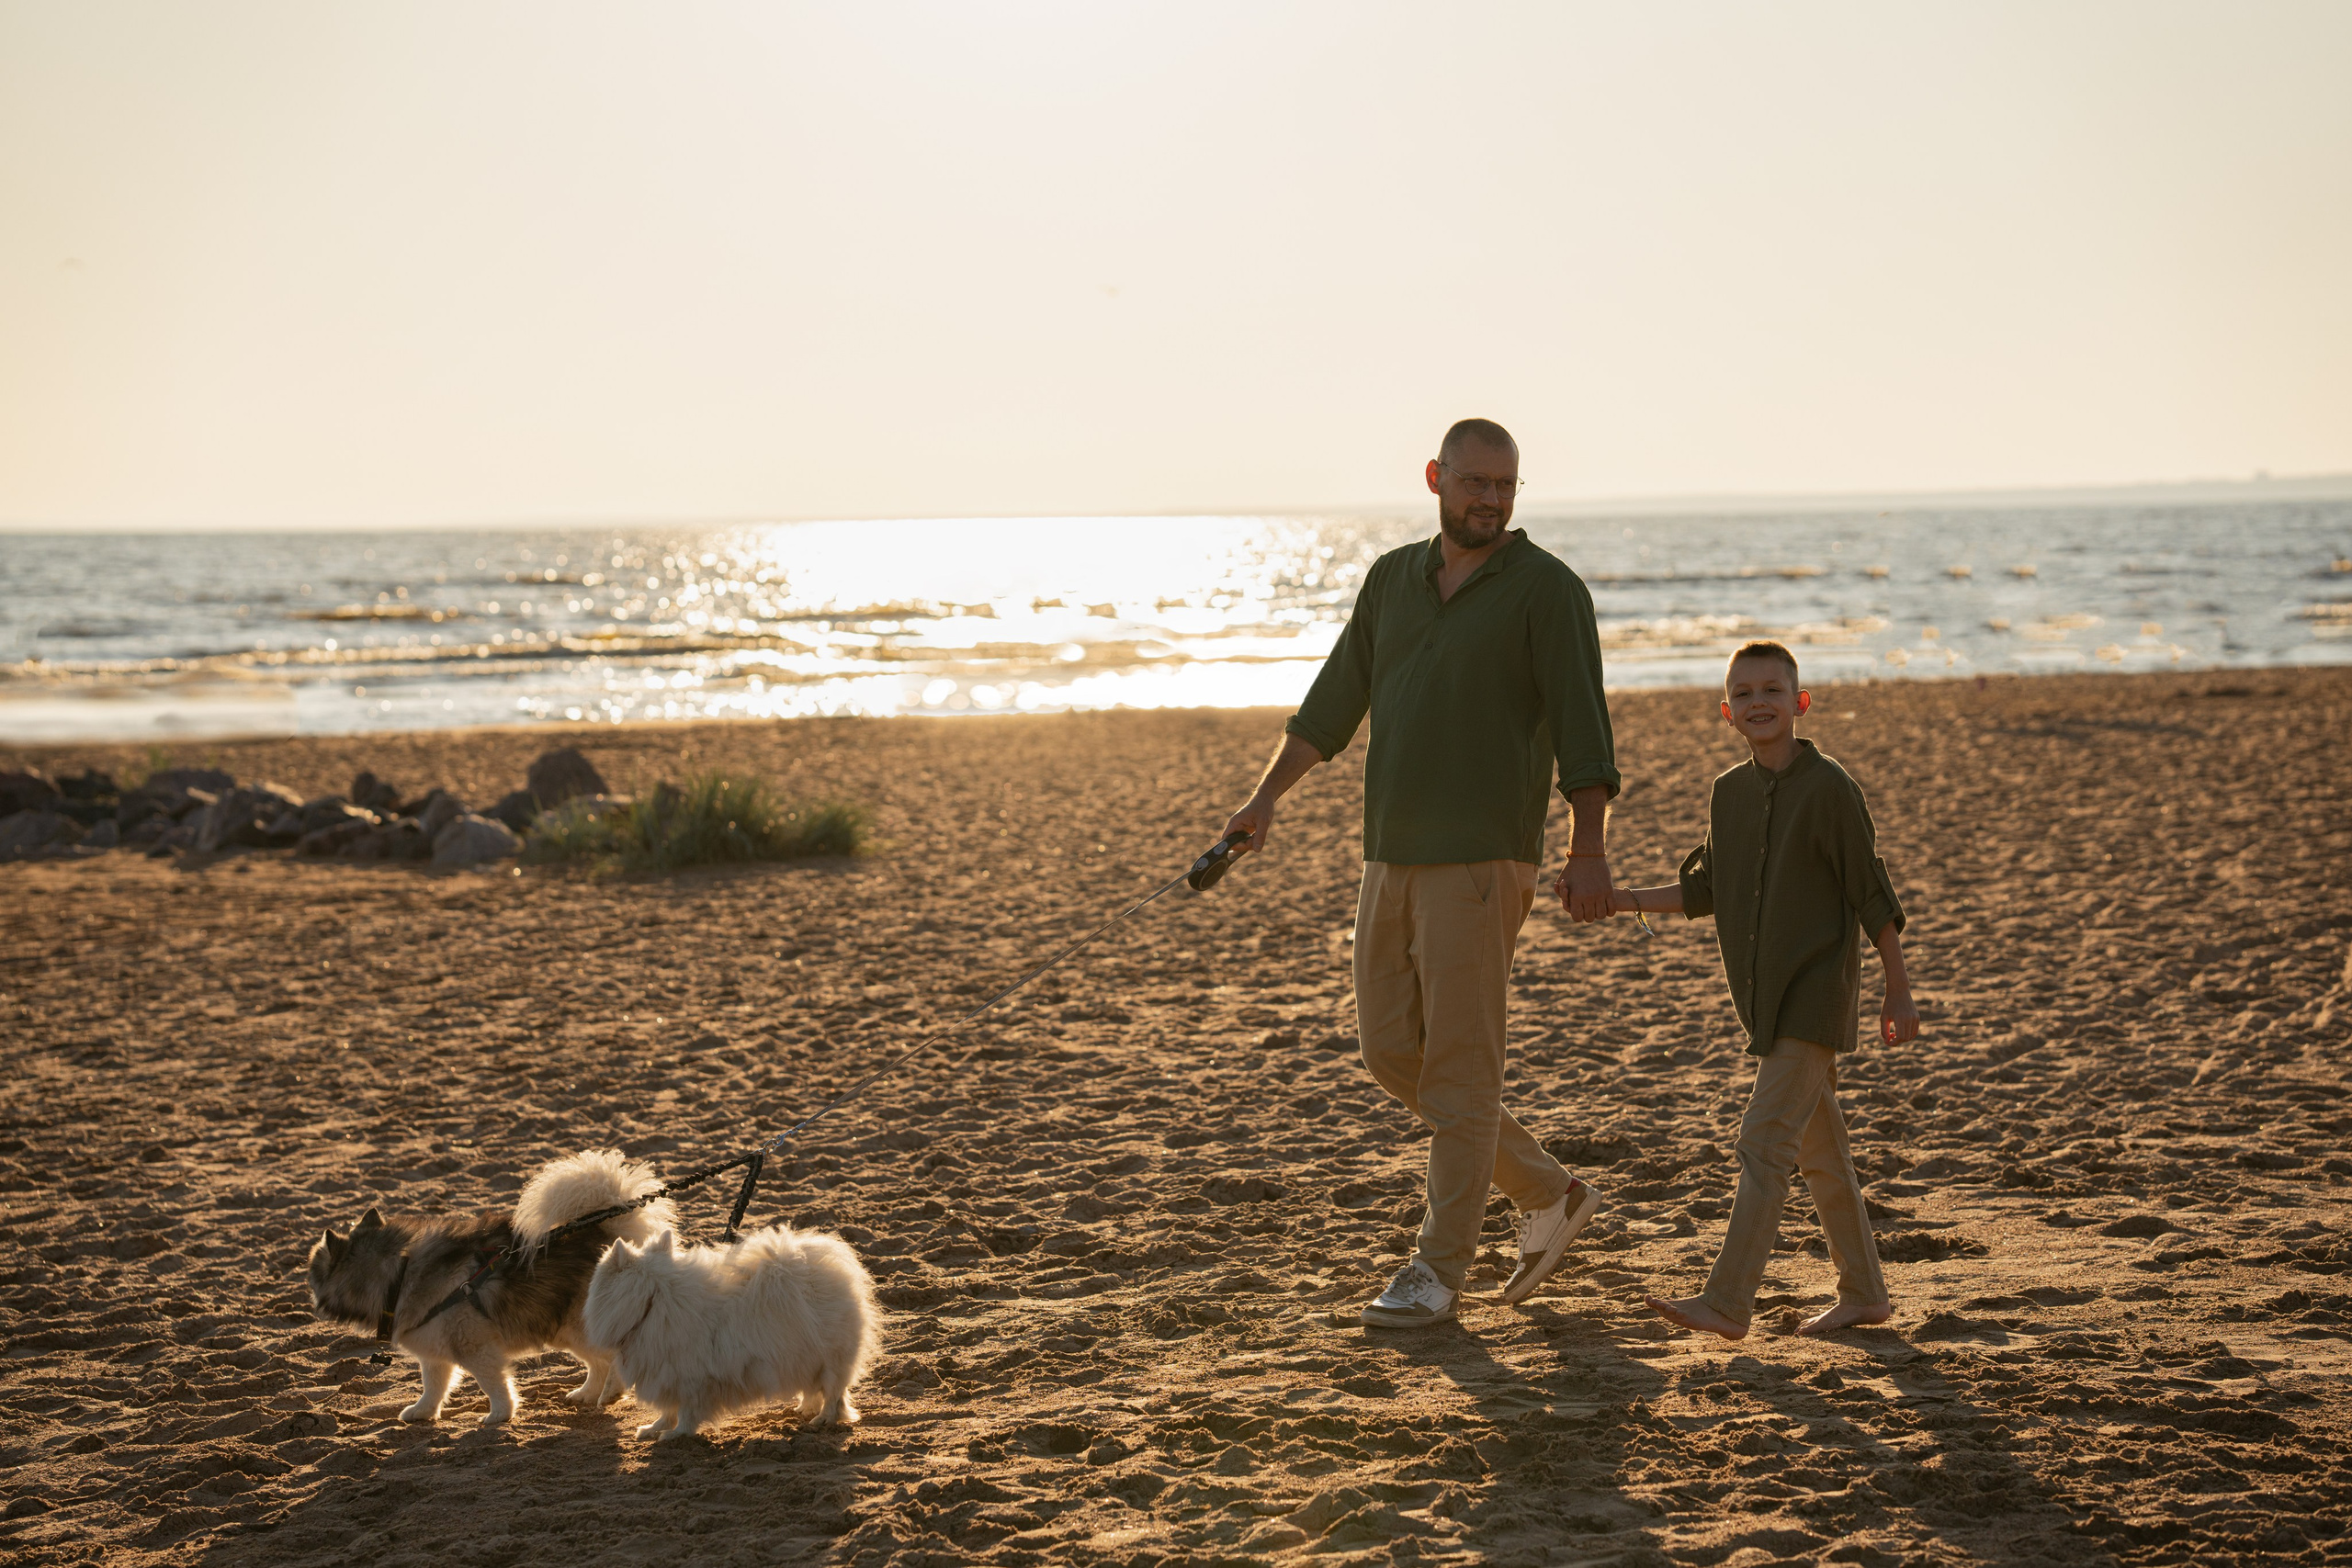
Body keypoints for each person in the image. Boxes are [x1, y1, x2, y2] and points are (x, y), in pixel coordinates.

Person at [1220, 417, 1620, 1329]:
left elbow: (1582, 726)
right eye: (1475, 482)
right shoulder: (1392, 578)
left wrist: (1585, 843)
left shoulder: (1547, 592)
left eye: (1505, 486)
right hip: (1388, 852)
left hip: (1482, 859)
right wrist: (1264, 799)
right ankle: (1550, 1194)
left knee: (1463, 1072)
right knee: (1389, 1049)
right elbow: (1333, 700)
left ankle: (1437, 1273)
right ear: (1437, 478)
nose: (1489, 499)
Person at [1612, 640, 1917, 1338]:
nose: (1759, 702)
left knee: (1762, 1143)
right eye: (1744, 693)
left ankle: (1727, 1301)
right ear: (1726, 712)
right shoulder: (1728, 793)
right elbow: (1706, 889)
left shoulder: (1831, 787)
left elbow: (1873, 893)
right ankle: (1865, 1292)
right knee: (1821, 1151)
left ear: (1799, 702)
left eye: (1772, 690)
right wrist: (1622, 899)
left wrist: (1896, 989)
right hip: (1765, 999)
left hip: (1815, 997)